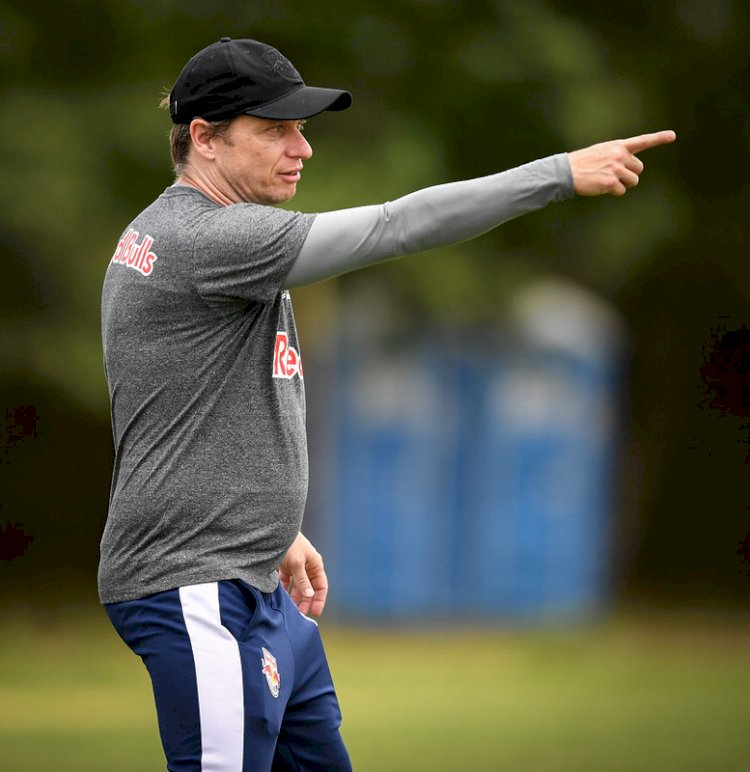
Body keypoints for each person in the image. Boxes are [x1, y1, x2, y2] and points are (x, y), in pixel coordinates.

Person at [99, 36, 676, 772]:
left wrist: (270, 526)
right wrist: (556, 175)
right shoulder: (211, 237)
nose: (301, 148)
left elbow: (185, 405)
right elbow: (395, 225)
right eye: (275, 129)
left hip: (246, 576)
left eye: (302, 128)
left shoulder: (187, 233)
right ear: (205, 139)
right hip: (196, 589)